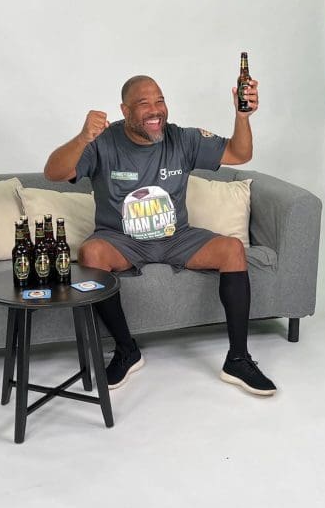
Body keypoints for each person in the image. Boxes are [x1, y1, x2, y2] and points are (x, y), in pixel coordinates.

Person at [44, 74, 276, 396]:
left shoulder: (181, 139)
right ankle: (127, 350)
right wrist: (83, 137)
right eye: (143, 104)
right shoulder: (103, 143)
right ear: (124, 110)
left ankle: (238, 358)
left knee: (232, 249)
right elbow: (53, 173)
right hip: (122, 239)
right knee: (92, 254)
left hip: (176, 237)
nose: (155, 110)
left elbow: (240, 154)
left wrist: (242, 117)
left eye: (160, 101)